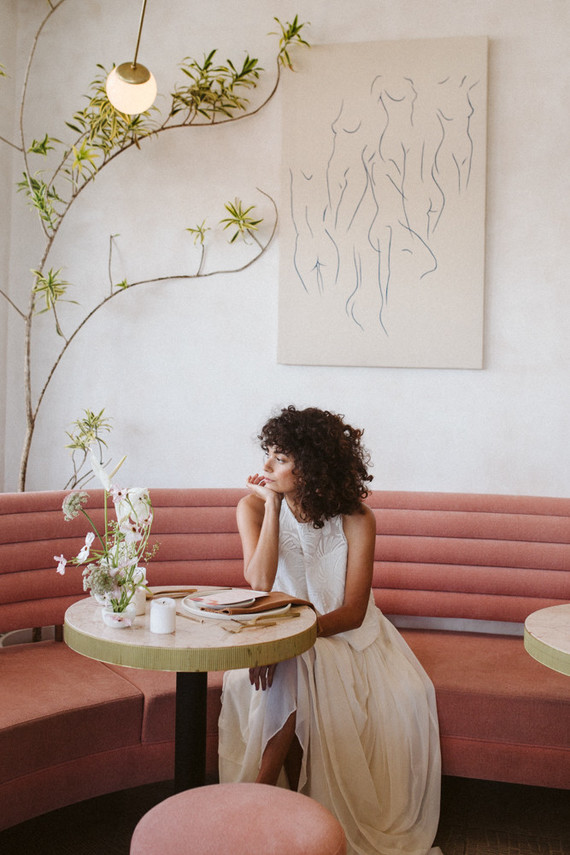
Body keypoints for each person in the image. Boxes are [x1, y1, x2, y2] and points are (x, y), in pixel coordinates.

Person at [218, 406, 442, 855]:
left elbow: (354, 612)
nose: (265, 467)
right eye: (267, 453)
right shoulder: (252, 508)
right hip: (281, 631)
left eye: (279, 458)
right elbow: (259, 583)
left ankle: (256, 798)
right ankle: (263, 799)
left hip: (345, 637)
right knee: (290, 664)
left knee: (296, 662)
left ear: (312, 464)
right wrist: (275, 503)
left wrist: (286, 644)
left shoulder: (357, 519)